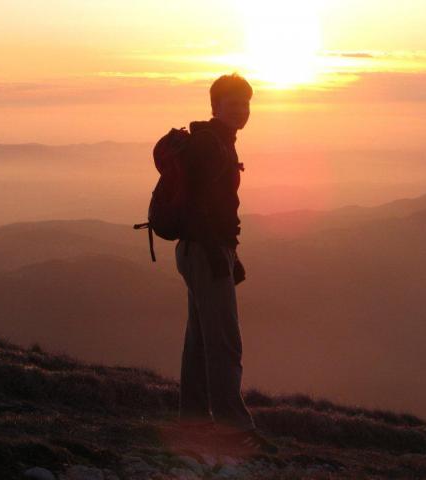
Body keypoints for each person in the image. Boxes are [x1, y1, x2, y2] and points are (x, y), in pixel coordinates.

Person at [174, 73, 278, 454]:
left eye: (245, 103)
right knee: (224, 343)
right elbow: (199, 205)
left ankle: (193, 421)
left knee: (201, 340)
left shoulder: (218, 141)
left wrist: (229, 253)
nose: (241, 110)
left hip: (201, 251)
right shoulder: (210, 145)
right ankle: (233, 430)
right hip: (206, 252)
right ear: (215, 106)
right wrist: (220, 254)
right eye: (232, 104)